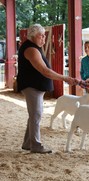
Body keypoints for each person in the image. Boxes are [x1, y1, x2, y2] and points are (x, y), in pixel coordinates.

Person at [17, 24, 75, 154]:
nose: (44, 38)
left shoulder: (34, 47)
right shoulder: (31, 49)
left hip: (35, 86)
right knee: (36, 115)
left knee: (34, 115)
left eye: (44, 35)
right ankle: (36, 145)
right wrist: (64, 78)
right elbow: (45, 71)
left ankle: (28, 143)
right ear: (32, 36)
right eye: (41, 35)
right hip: (32, 86)